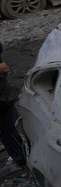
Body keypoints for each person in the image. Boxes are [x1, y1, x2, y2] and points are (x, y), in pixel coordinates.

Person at [0, 42, 26, 172]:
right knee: (6, 129)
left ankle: (25, 151)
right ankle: (21, 158)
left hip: (2, 92)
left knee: (14, 123)